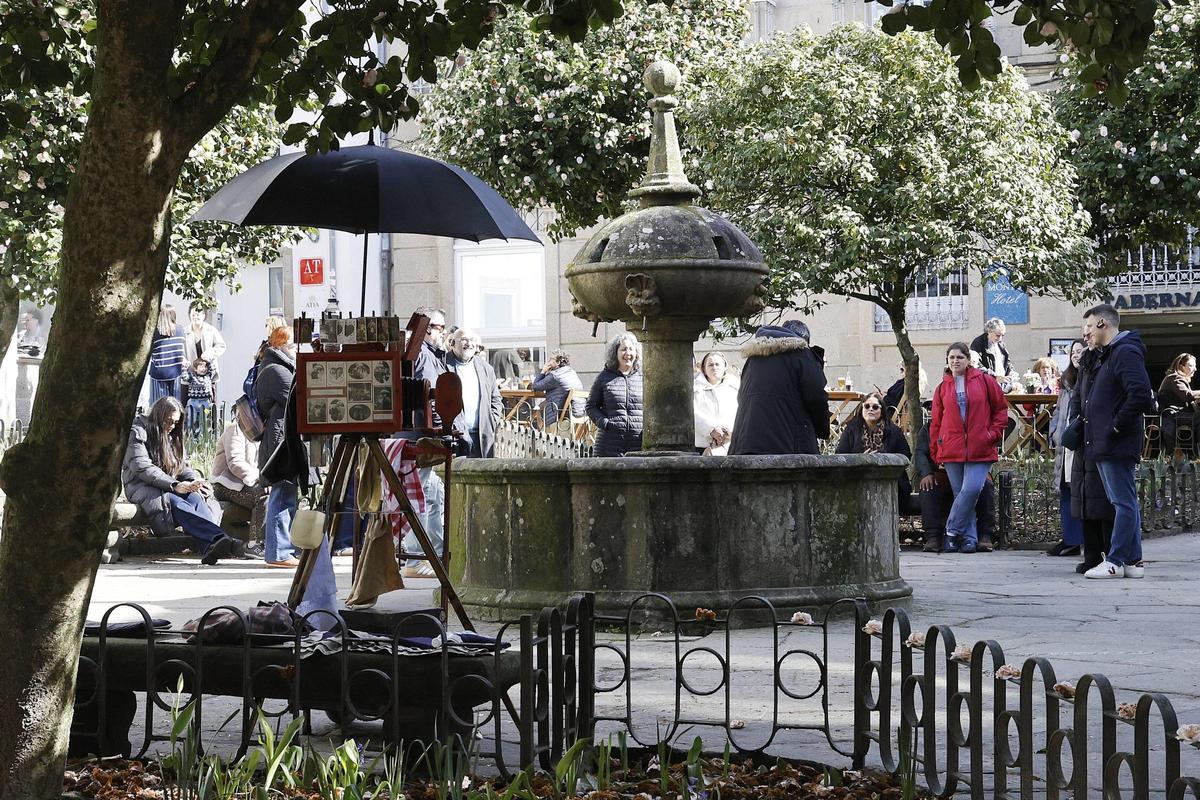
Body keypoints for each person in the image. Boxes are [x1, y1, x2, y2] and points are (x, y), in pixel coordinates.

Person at [1078, 304, 1155, 579]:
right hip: (1104, 441)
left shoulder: (1125, 351)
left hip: (1115, 442)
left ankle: (1115, 560)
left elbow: (1140, 395)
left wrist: (1115, 426)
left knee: (1123, 503)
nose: (1085, 332)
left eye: (1088, 326)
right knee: (1123, 501)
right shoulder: (1107, 354)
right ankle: (1133, 562)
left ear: (1102, 324)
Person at [120, 397, 241, 564]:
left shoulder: (172, 435)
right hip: (141, 485)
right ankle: (219, 538)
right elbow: (142, 468)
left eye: (176, 422)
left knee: (195, 497)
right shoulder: (138, 431)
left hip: (169, 484)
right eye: (168, 421)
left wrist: (193, 481)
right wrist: (174, 485)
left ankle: (211, 547)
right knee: (174, 501)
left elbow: (182, 465)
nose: (171, 426)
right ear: (158, 416)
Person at [929, 342, 1009, 553]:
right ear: (947, 361)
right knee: (962, 494)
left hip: (980, 447)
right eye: (951, 358)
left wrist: (991, 434)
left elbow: (1001, 410)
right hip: (952, 448)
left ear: (968, 360)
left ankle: (951, 531)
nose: (955, 361)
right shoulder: (943, 387)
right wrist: (936, 449)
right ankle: (969, 539)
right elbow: (936, 422)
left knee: (972, 489)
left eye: (959, 357)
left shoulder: (985, 381)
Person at [728, 321, 829, 455]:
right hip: (787, 444)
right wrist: (823, 430)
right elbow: (817, 397)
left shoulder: (754, 359)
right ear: (805, 341)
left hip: (746, 443)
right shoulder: (802, 355)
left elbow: (741, 396)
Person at [402, 305, 448, 578]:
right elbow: (429, 391)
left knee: (430, 496)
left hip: (423, 435)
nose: (443, 332)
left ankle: (431, 555)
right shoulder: (422, 354)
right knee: (420, 498)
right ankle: (415, 559)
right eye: (440, 327)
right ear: (428, 329)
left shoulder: (428, 354)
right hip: (419, 435)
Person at [914, 413, 998, 553]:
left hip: (971, 469)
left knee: (986, 485)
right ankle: (933, 536)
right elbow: (921, 452)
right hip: (941, 473)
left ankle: (985, 534)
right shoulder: (928, 428)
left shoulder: (971, 424)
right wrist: (926, 473)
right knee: (927, 487)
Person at [1068, 338, 1115, 574]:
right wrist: (1075, 422)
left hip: (1103, 438)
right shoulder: (1087, 363)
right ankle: (1092, 555)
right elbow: (1077, 397)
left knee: (1105, 501)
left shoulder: (1112, 358)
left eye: (1090, 329)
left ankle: (1111, 554)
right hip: (1083, 439)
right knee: (1086, 499)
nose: (1087, 335)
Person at [255, 325, 299, 568]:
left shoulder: (276, 367)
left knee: (286, 491)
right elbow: (296, 397)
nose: (297, 350)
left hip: (281, 435)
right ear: (282, 345)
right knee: (282, 491)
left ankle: (282, 549)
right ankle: (278, 552)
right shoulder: (275, 370)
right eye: (293, 345)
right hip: (279, 437)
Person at [835, 391, 913, 506]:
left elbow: (906, 455)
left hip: (890, 482)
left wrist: (884, 458)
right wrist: (860, 459)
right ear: (862, 409)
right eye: (866, 406)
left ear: (881, 411)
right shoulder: (851, 429)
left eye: (875, 407)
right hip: (857, 480)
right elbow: (840, 456)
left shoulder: (893, 430)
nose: (870, 409)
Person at [1047, 340, 1085, 558]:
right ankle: (1070, 539)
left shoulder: (1090, 378)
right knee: (1066, 490)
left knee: (1080, 492)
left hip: (1080, 444)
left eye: (1080, 351)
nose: (1076, 355)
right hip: (1064, 446)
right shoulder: (1066, 381)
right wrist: (1054, 434)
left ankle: (1081, 539)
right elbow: (1058, 411)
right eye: (1073, 352)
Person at [211, 420, 267, 556]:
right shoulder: (235, 430)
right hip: (225, 484)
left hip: (247, 483)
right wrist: (259, 478)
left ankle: (268, 542)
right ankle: (254, 545)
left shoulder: (260, 432)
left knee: (273, 493)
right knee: (262, 496)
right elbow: (235, 463)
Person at [444, 328, 503, 458]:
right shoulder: (442, 364)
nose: (469, 344)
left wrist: (491, 421)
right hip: (454, 435)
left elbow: (496, 399)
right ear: (453, 343)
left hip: (481, 435)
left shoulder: (486, 368)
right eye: (464, 339)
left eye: (472, 340)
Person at [586, 332, 645, 457]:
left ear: (636, 353)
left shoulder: (643, 378)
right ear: (615, 353)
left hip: (637, 444)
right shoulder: (604, 377)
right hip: (609, 444)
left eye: (631, 349)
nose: (627, 353)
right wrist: (606, 424)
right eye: (623, 349)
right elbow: (591, 406)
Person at [694, 351, 739, 455]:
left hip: (729, 444)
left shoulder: (734, 388)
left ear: (724, 368)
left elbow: (739, 412)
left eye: (717, 364)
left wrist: (726, 432)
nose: (714, 367)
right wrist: (711, 429)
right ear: (704, 370)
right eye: (710, 365)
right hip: (703, 446)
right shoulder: (694, 389)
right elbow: (692, 413)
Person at [1157, 353, 1200, 457]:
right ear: (1181, 366)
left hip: (1176, 415)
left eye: (1195, 366)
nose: (1195, 369)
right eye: (1191, 365)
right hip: (1173, 415)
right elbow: (1188, 395)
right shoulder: (1174, 378)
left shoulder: (1176, 379)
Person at [532, 348, 584, 427]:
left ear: (558, 362)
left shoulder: (556, 376)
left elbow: (536, 386)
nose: (548, 361)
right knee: (540, 406)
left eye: (551, 359)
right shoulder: (571, 372)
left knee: (537, 408)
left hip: (559, 414)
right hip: (578, 411)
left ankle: (543, 433)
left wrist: (543, 371)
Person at [183, 305, 227, 396]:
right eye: (193, 315)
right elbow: (180, 350)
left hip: (208, 374)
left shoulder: (211, 330)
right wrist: (183, 361)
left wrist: (210, 354)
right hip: (191, 376)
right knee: (188, 405)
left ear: (203, 315)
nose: (196, 317)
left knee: (209, 406)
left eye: (198, 314)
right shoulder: (184, 331)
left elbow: (221, 346)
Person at [148, 304, 186, 404]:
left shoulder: (155, 333)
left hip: (158, 373)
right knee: (175, 405)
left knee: (158, 405)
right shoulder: (180, 330)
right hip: (176, 372)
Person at [183, 357, 214, 436]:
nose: (204, 369)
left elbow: (212, 369)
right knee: (191, 418)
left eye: (205, 366)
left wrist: (208, 360)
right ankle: (190, 435)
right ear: (195, 369)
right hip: (193, 402)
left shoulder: (208, 376)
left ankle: (202, 435)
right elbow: (184, 377)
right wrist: (184, 368)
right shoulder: (192, 376)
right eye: (201, 366)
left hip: (205, 402)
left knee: (204, 418)